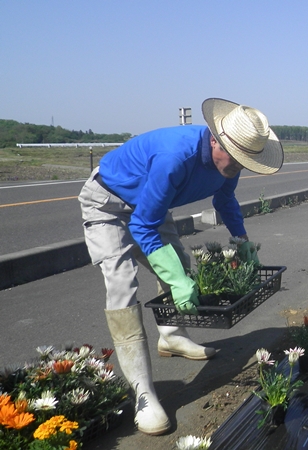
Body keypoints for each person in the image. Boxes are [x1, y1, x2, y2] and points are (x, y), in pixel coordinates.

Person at [78, 98, 284, 436]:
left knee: (180, 264)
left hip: (152, 205)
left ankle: (172, 337)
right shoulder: (177, 158)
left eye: (245, 162)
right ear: (217, 139)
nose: (238, 167)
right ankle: (143, 391)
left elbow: (225, 199)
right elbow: (142, 225)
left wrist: (242, 239)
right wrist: (175, 279)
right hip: (109, 202)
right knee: (122, 284)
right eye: (235, 159)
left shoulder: (229, 163)